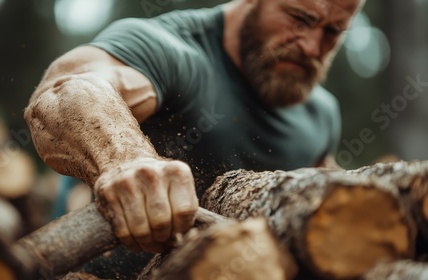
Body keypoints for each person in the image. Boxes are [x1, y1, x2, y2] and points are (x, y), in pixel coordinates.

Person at [25, 0, 365, 275]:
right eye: (299, 19)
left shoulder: (322, 113)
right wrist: (126, 160)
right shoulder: (171, 51)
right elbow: (63, 92)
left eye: (333, 32)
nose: (311, 46)